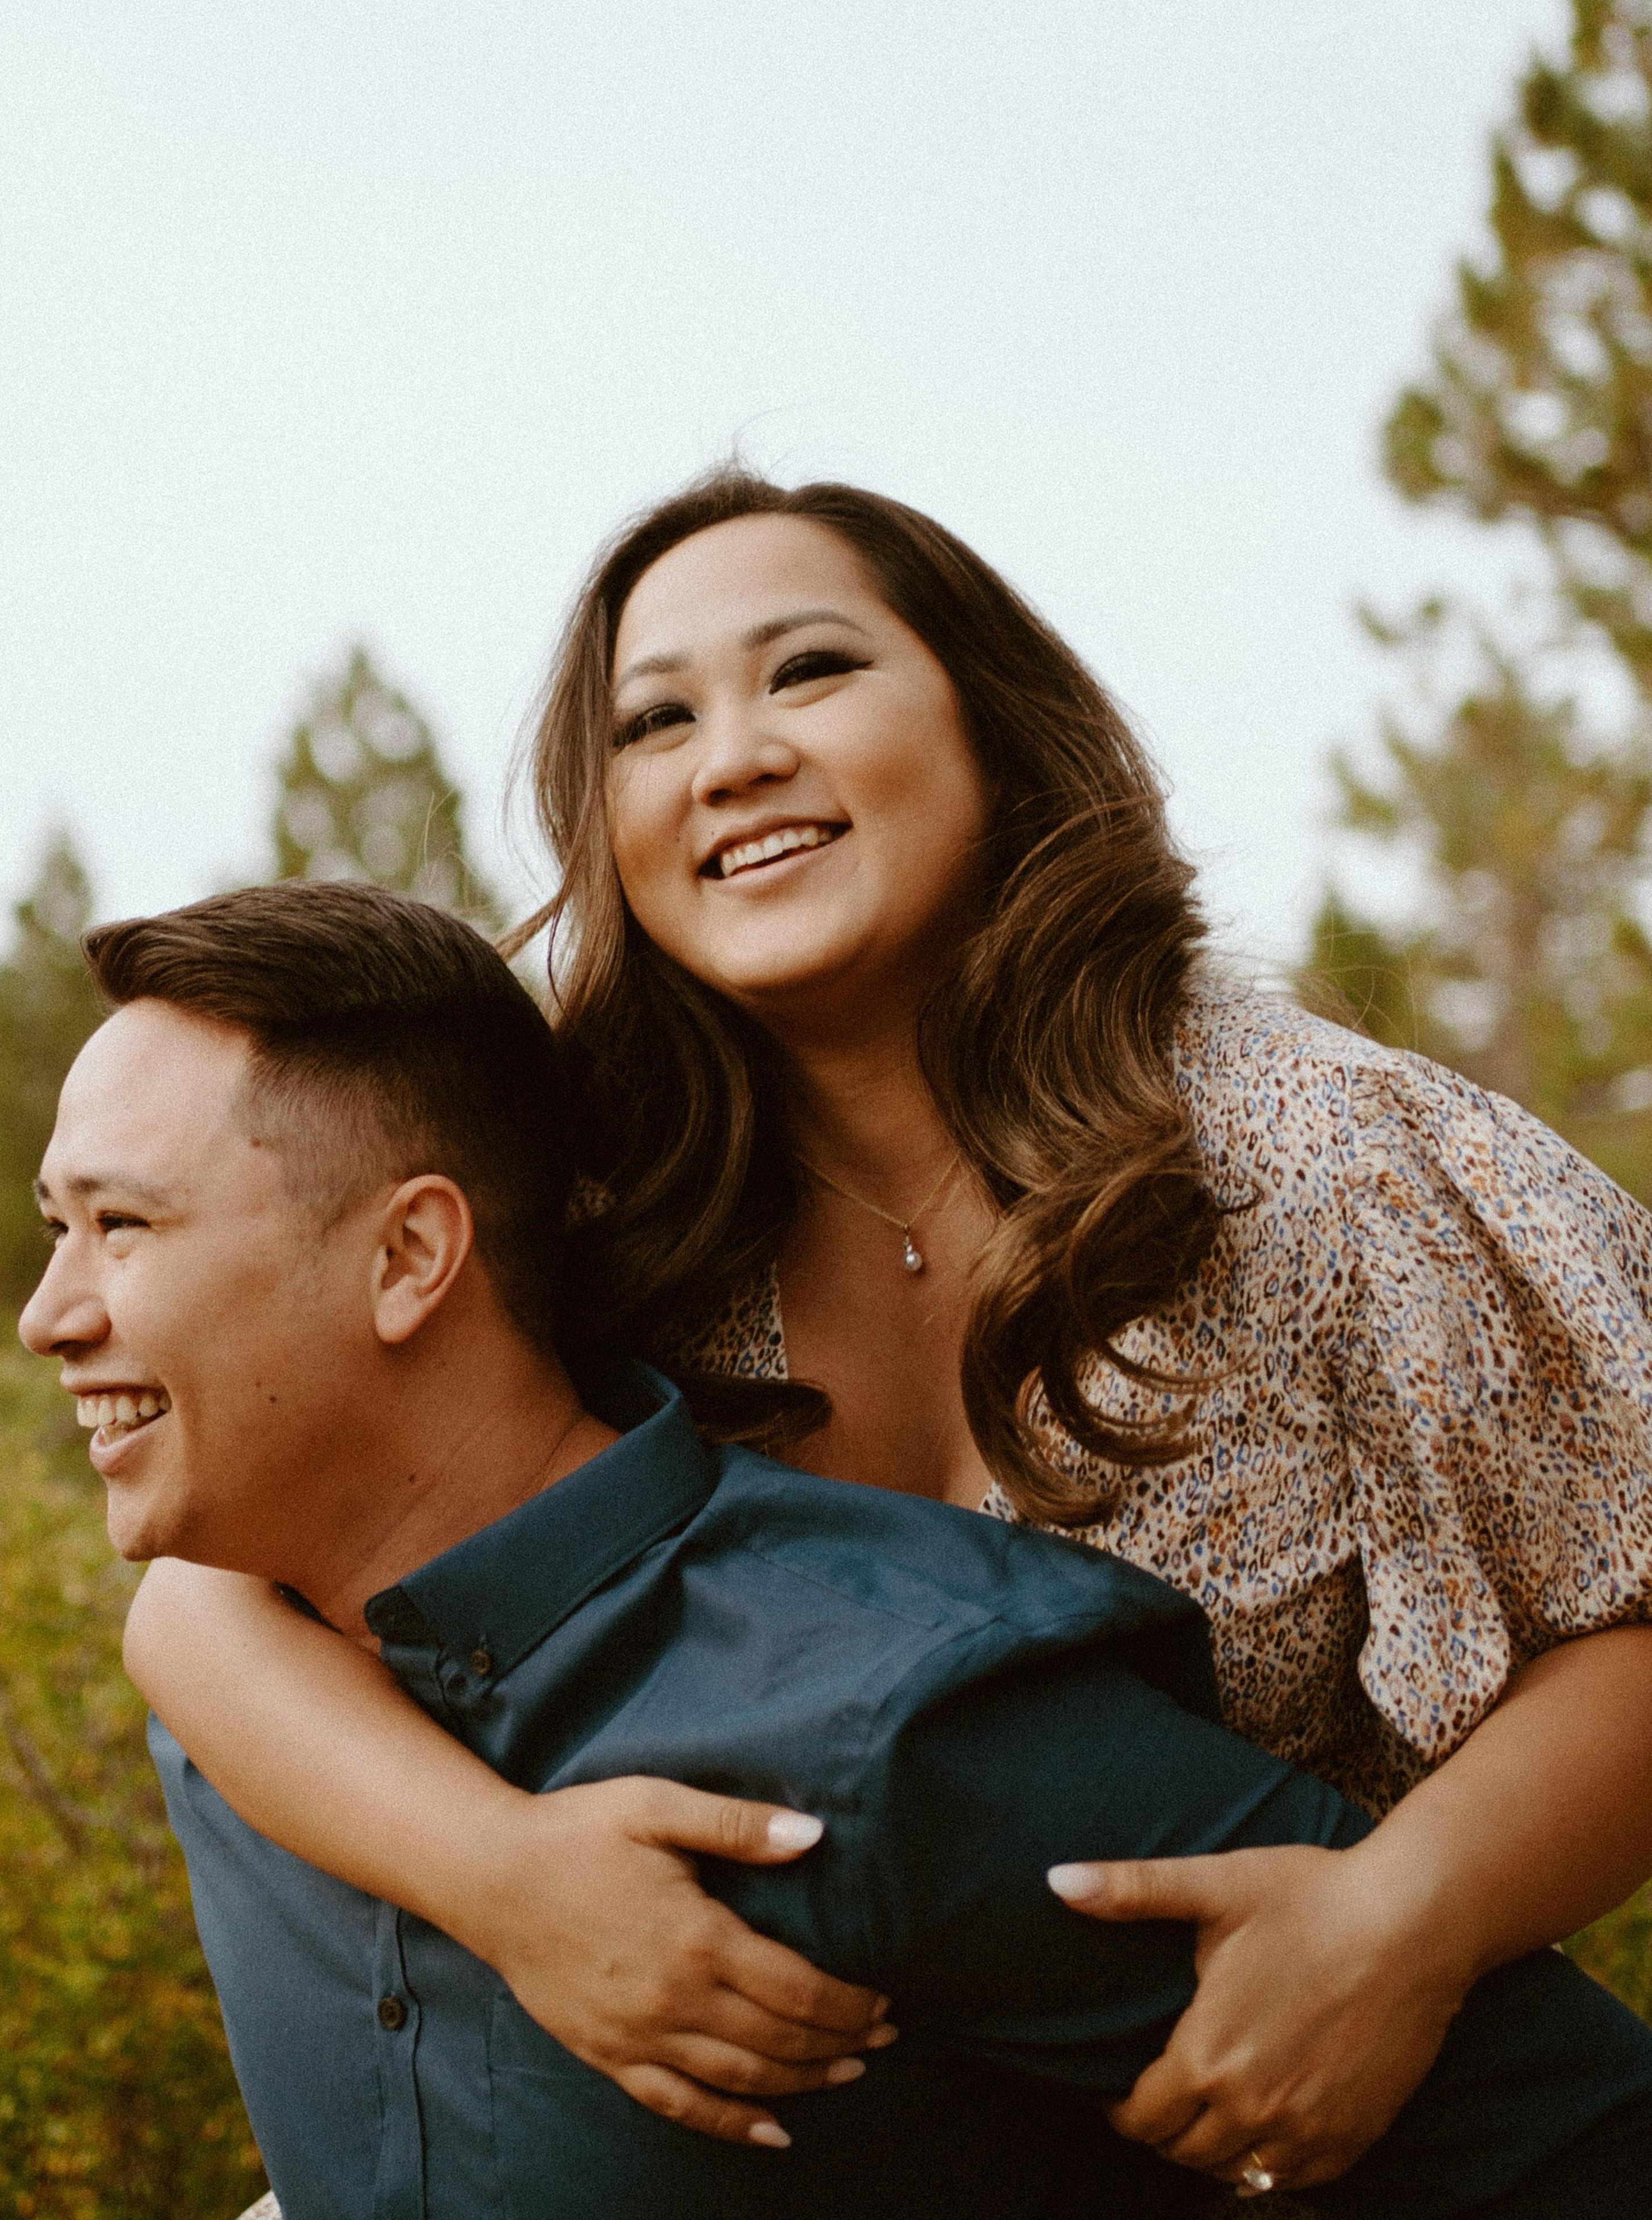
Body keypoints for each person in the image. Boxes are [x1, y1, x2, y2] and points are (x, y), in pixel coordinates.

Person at [124, 471, 1652, 2200]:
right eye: (653, 721)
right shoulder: (598, 1201)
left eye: (811, 670)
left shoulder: (1323, 1162)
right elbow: (205, 1603)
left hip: (1308, 2139)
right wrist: (506, 1878)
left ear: (993, 725)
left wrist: (1408, 1919)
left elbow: (1634, 1605)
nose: (732, 757)